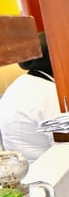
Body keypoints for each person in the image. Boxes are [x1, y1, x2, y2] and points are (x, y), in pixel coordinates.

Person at [0, 32, 59, 162]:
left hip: (24, 167)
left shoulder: (22, 83)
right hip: (46, 168)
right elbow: (67, 145)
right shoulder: (47, 92)